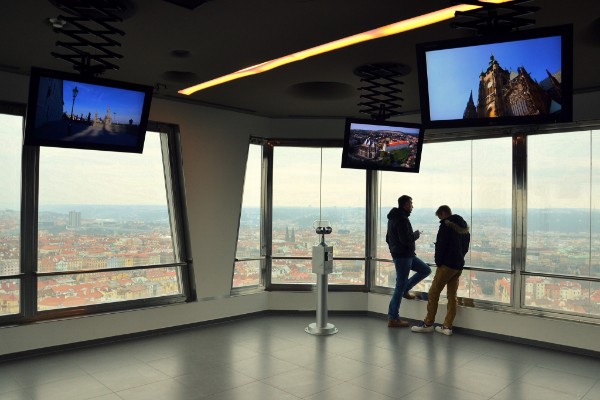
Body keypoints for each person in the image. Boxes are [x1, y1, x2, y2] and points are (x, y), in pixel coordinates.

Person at [411, 205, 470, 336]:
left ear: (443, 213)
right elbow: (465, 248)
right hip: (458, 265)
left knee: (433, 293)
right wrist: (459, 258)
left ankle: (428, 323)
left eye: (439, 217)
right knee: (452, 296)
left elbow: (441, 246)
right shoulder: (464, 228)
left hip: (447, 265)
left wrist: (439, 262)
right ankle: (447, 326)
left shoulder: (445, 226)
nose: (439, 219)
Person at [386, 195, 431, 327]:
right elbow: (405, 239)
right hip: (403, 256)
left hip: (405, 255)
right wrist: (416, 234)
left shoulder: (393, 218)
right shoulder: (402, 219)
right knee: (399, 286)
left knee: (425, 270)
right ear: (405, 205)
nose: (412, 206)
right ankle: (393, 318)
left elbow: (388, 238)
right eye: (411, 204)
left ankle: (406, 290)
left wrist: (393, 250)